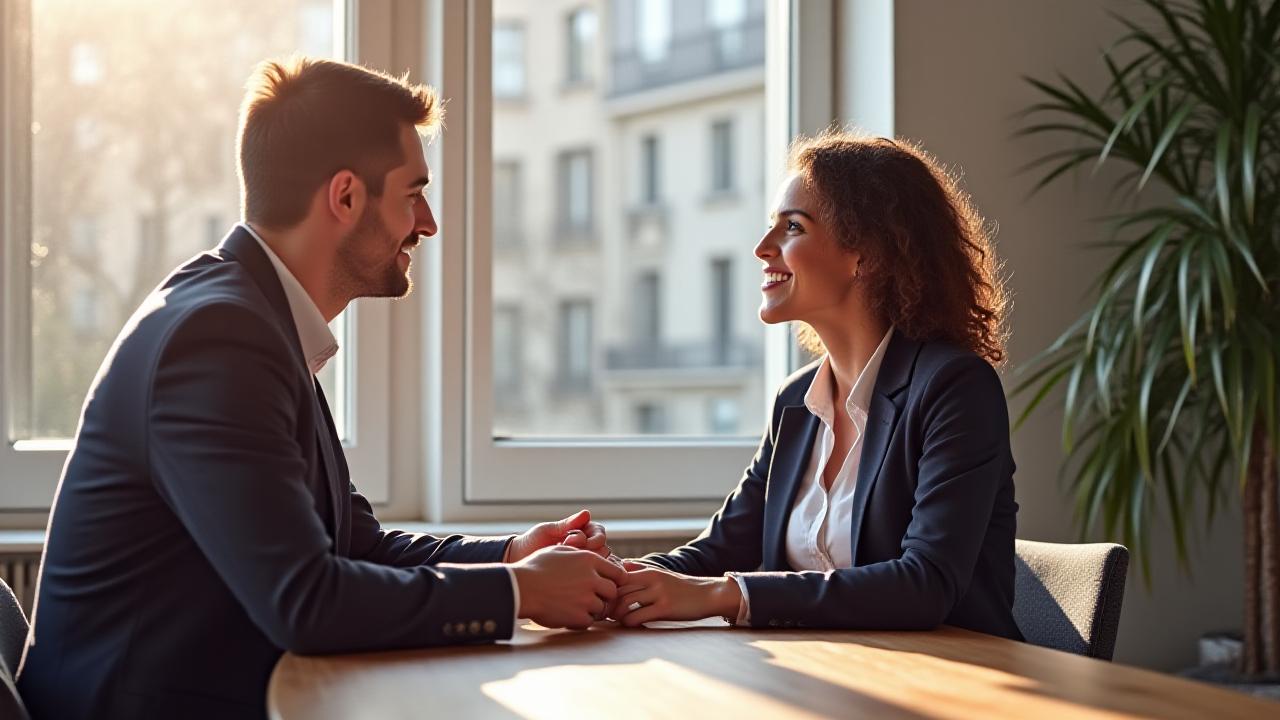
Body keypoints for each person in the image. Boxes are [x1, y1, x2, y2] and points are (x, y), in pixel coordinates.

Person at [17, 57, 625, 720]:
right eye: (413, 192)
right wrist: (519, 593)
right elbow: (305, 602)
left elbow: (355, 546)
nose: (428, 222)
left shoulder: (259, 319)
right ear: (344, 197)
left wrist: (513, 555)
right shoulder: (219, 340)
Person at [611, 131, 1022, 640]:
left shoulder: (954, 389)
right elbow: (720, 550)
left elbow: (926, 583)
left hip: (957, 684)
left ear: (864, 255)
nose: (763, 249)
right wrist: (608, 578)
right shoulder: (795, 403)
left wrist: (726, 594)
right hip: (828, 676)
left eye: (793, 227)